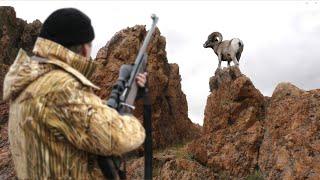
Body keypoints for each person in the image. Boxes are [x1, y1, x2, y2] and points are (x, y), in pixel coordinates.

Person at [3, 8, 147, 179]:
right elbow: (115, 137)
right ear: (84, 49)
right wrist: (131, 121)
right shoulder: (60, 87)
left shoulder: (26, 84)